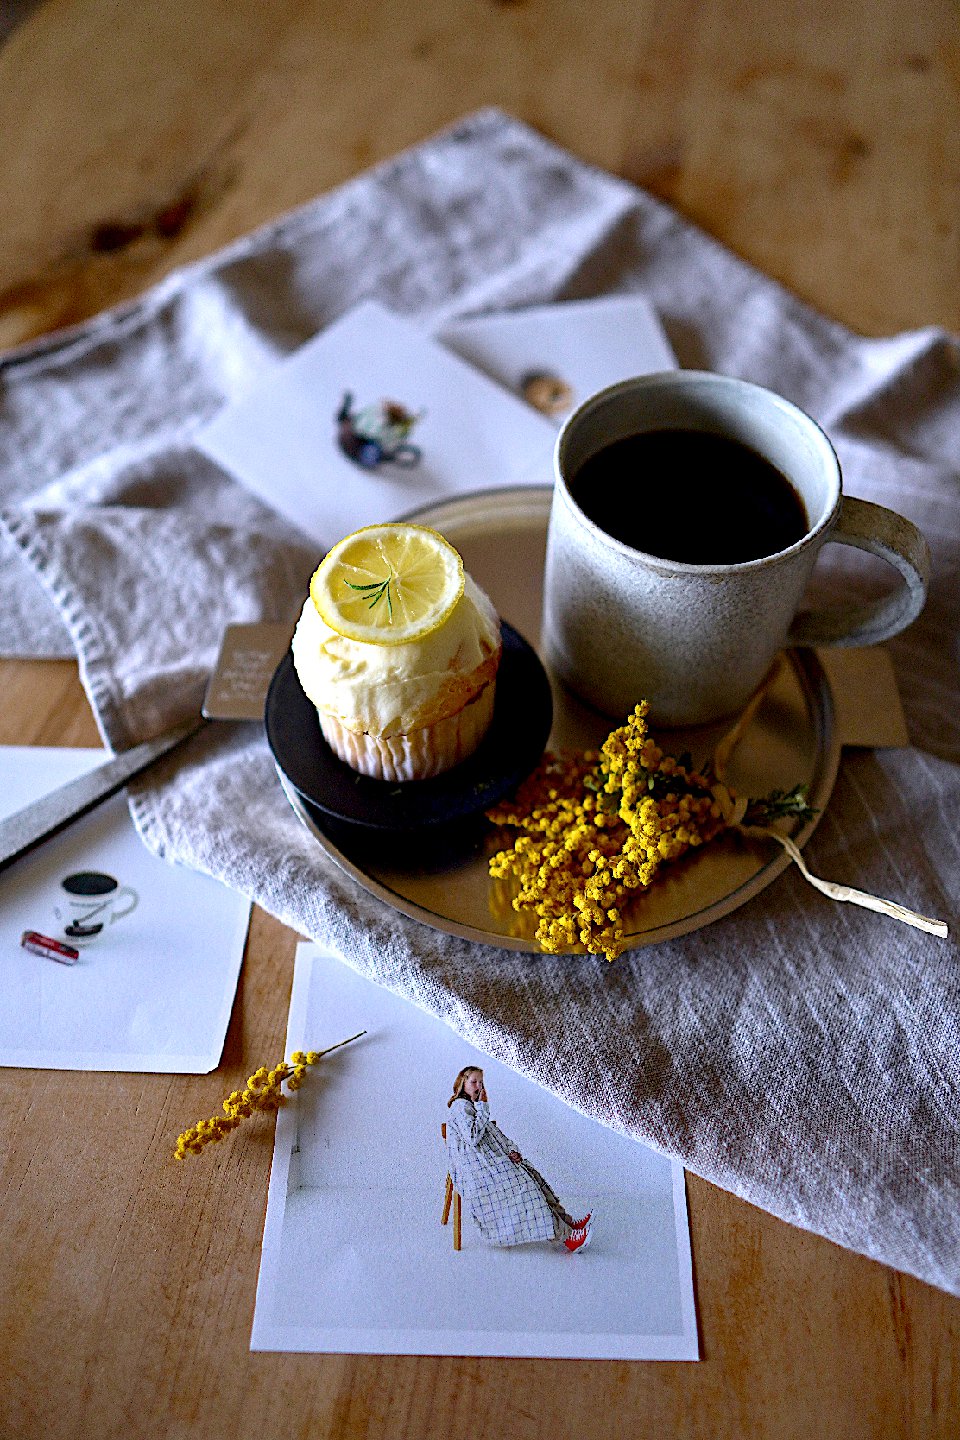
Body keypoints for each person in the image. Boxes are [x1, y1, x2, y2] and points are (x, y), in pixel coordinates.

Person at [445, 1066, 592, 1253]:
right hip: (478, 1167)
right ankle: (566, 1236)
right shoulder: (460, 1106)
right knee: (524, 1187)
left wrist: (511, 1151)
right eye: (474, 1082)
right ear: (462, 1083)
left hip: (493, 1159)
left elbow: (495, 1137)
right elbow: (472, 1137)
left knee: (533, 1177)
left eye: (481, 1082)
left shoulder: (472, 1107)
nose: (479, 1086)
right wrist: (483, 1107)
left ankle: (567, 1223)